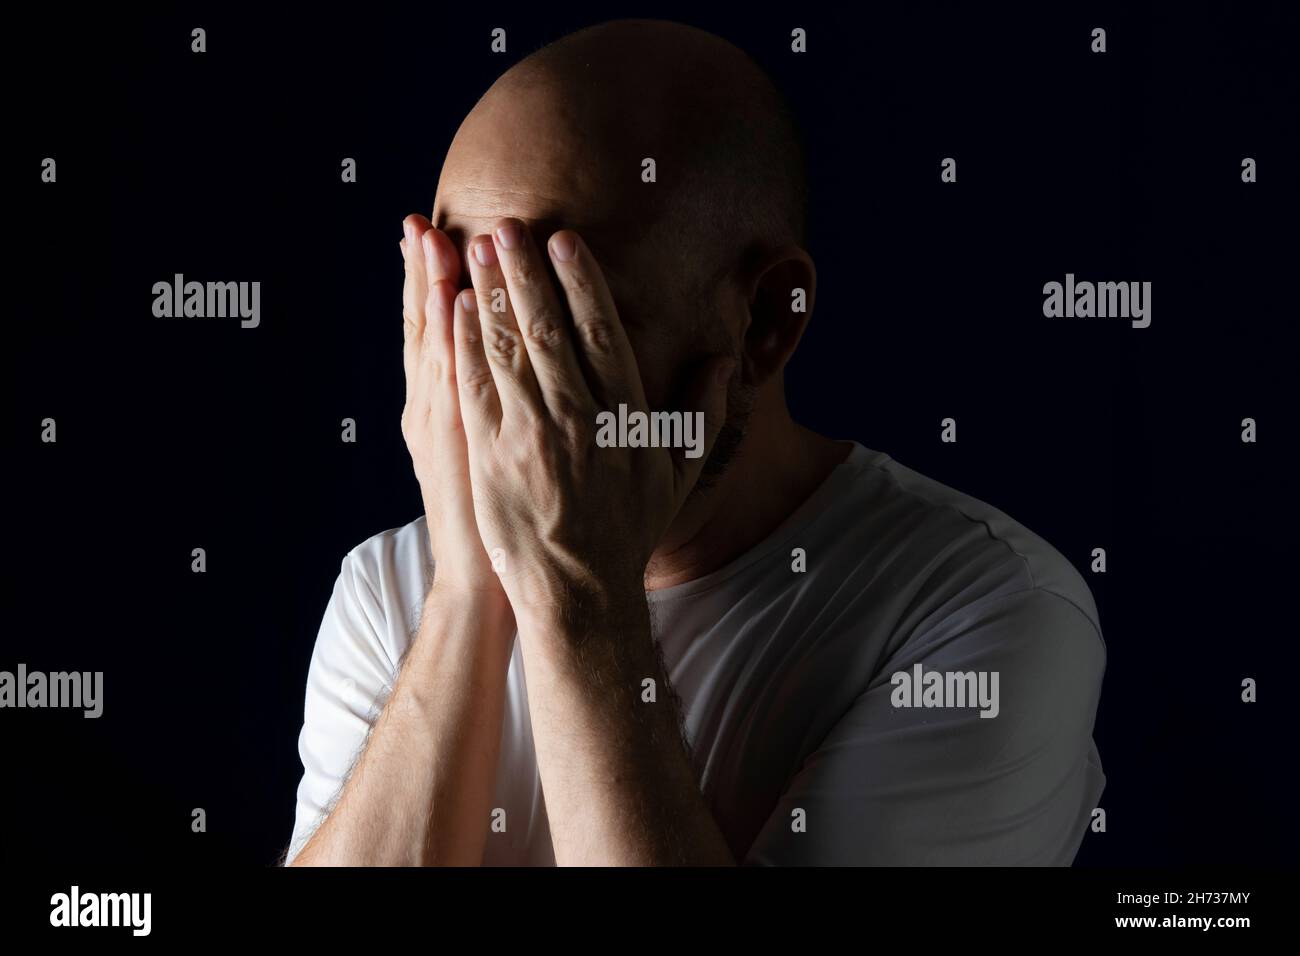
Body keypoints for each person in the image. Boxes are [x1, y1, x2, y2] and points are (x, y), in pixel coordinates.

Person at [286, 19, 1105, 866]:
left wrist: (580, 599)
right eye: (464, 304)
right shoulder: (392, 591)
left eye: (558, 319)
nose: (501, 380)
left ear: (764, 324)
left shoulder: (982, 615)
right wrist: (466, 589)